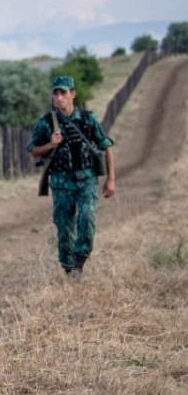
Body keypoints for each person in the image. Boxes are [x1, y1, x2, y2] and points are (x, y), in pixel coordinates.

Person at [27, 75, 116, 277]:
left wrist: (110, 180)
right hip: (61, 182)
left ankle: (79, 263)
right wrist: (50, 144)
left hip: (86, 180)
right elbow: (32, 150)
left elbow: (106, 145)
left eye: (63, 93)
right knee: (64, 226)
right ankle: (69, 269)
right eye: (55, 93)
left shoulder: (87, 119)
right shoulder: (47, 122)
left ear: (72, 94)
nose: (59, 98)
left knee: (87, 217)